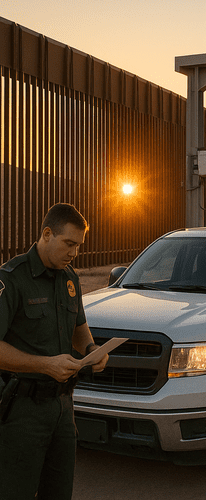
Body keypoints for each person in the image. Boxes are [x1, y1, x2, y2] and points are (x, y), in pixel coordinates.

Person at [0, 203, 109, 500]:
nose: (74, 253)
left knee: (59, 491)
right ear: (47, 234)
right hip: (22, 411)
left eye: (79, 246)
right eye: (69, 244)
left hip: (62, 407)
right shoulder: (12, 279)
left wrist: (91, 349)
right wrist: (44, 365)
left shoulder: (70, 278)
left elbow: (78, 327)